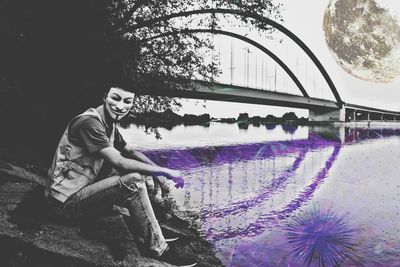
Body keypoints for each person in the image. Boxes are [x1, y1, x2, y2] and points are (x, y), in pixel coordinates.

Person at [45, 81, 197, 267]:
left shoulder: (109, 124)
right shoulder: (90, 123)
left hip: (79, 194)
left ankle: (148, 229)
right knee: (133, 181)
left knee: (133, 173)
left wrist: (157, 175)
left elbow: (130, 151)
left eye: (127, 101)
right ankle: (158, 248)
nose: (120, 106)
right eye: (115, 98)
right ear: (104, 97)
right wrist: (164, 170)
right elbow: (120, 161)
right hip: (63, 204)